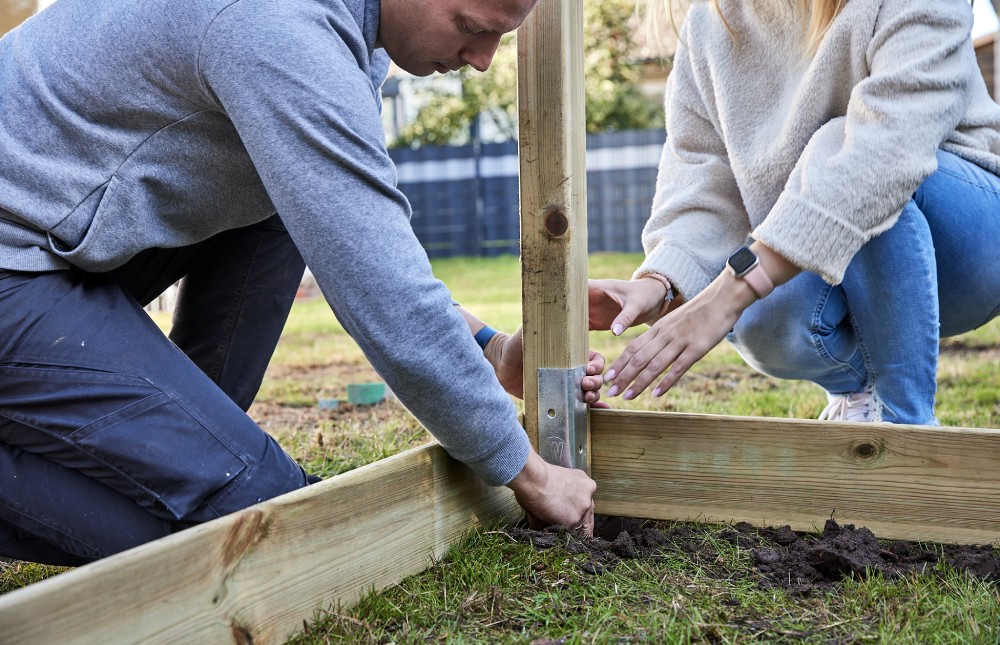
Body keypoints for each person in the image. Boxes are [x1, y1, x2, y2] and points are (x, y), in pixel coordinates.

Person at [0, 0, 604, 566]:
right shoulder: (277, 27)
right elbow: (383, 290)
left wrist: (489, 351)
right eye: (472, 26)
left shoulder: (336, 33)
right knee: (264, 525)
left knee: (285, 199)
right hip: (14, 261)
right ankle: (202, 471)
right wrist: (532, 475)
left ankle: (184, 441)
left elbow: (349, 239)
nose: (483, 59)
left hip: (52, 240)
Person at [590, 0, 1000, 424]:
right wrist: (661, 285)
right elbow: (704, 179)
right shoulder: (709, 24)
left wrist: (730, 292)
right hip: (835, 251)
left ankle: (905, 425)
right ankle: (860, 394)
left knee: (851, 157)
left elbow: (886, 153)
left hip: (972, 245)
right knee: (757, 317)